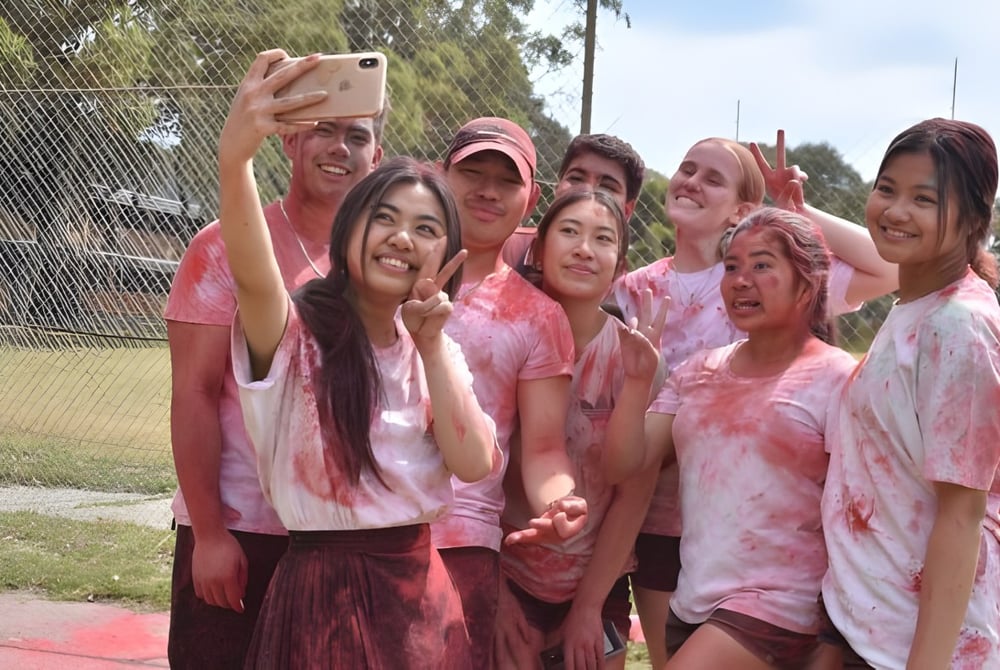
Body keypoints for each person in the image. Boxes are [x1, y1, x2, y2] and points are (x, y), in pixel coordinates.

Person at [216, 51, 497, 668]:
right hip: (320, 596)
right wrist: (236, 159)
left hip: (419, 601)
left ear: (448, 254)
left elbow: (474, 462)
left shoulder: (434, 347)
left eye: (426, 229)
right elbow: (253, 274)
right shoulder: (292, 333)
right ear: (348, 231)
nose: (402, 238)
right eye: (384, 218)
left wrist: (431, 345)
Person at [612, 131, 899, 669]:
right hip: (692, 595)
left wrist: (834, 640)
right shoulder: (692, 366)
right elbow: (626, 463)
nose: (741, 281)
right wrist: (635, 382)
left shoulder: (838, 379)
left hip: (781, 607)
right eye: (732, 267)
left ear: (808, 285)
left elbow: (863, 513)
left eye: (762, 266)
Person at [163, 51, 385, 668]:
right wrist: (210, 534)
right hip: (241, 526)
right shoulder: (219, 247)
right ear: (288, 139)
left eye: (357, 135)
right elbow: (194, 394)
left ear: (377, 157)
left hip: (341, 539)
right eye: (323, 129)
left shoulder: (385, 263)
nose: (339, 148)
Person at [820, 118, 1000, 668]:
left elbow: (962, 517)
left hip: (910, 647)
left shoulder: (958, 326)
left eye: (924, 199)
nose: (896, 211)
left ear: (973, 219)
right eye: (887, 189)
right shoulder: (918, 305)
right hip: (871, 619)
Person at [432, 117, 588, 667]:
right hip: (360, 526)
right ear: (440, 176)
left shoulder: (539, 317)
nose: (487, 191)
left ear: (532, 199)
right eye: (472, 172)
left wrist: (560, 501)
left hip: (462, 541)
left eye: (507, 180)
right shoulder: (385, 272)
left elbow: (543, 449)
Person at [494, 189, 666, 670]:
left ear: (620, 265)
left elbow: (633, 495)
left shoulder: (639, 359)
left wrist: (589, 607)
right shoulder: (503, 336)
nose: (584, 249)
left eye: (603, 238)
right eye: (569, 232)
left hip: (598, 579)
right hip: (506, 574)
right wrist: (495, 590)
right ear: (538, 250)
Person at [501, 133, 646, 269]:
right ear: (557, 188)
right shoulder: (505, 252)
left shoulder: (628, 286)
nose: (588, 192)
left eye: (607, 187)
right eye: (576, 178)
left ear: (626, 211)